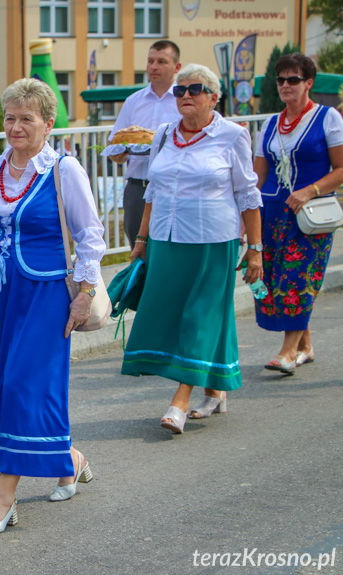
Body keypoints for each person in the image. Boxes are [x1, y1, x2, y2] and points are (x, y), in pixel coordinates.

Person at [0, 78, 106, 537]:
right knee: (5, 387)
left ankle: (4, 497)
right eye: (10, 117)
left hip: (45, 294)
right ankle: (69, 461)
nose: (16, 126)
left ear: (49, 123)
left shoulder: (65, 170)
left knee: (26, 383)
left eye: (27, 118)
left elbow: (90, 236)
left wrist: (83, 293)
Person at [122, 64, 264, 433]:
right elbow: (152, 190)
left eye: (196, 89)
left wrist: (255, 249)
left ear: (214, 97)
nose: (186, 95)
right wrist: (141, 240)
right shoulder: (164, 135)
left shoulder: (232, 136)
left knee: (200, 315)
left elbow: (248, 194)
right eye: (180, 91)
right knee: (178, 315)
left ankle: (180, 400)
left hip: (212, 241)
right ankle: (215, 388)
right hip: (167, 240)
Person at [252, 53, 343, 373]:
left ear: (308, 83)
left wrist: (310, 190)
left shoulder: (328, 118)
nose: (285, 85)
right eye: (280, 80)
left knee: (297, 278)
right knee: (273, 278)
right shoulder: (270, 123)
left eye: (293, 79)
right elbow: (257, 176)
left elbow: (341, 168)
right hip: (272, 212)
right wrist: (245, 214)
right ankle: (305, 345)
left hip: (311, 216)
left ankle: (288, 352)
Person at [109, 40, 183, 248]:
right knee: (137, 249)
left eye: (161, 61)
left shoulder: (184, 100)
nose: (154, 67)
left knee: (169, 249)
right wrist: (116, 154)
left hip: (172, 187)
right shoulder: (134, 101)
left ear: (177, 67)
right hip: (138, 187)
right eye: (150, 61)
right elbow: (116, 141)